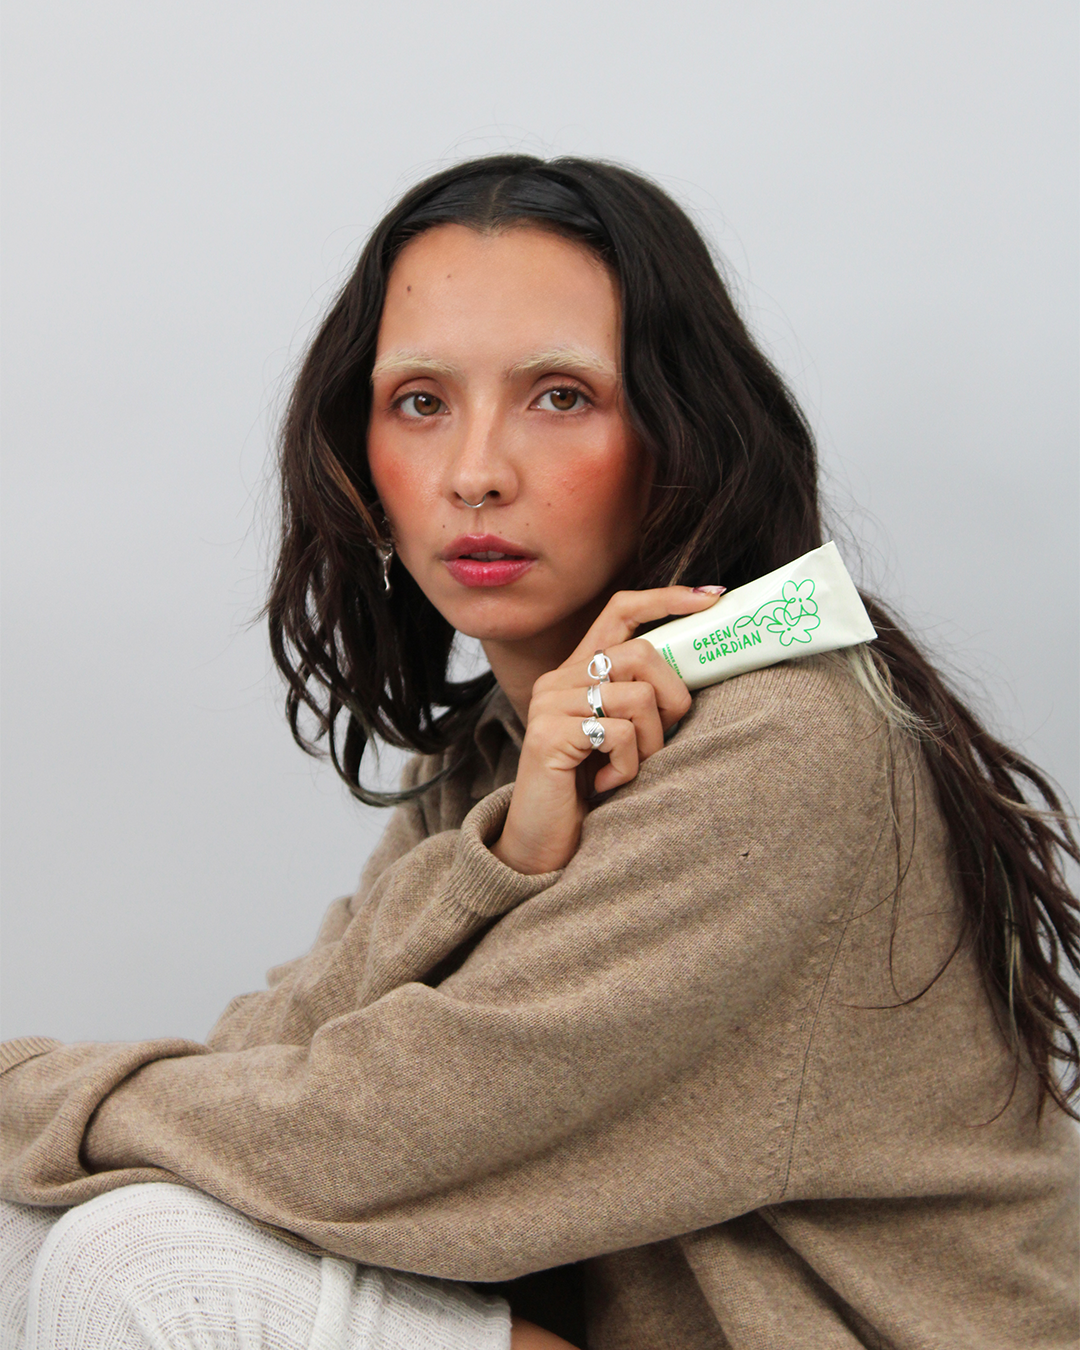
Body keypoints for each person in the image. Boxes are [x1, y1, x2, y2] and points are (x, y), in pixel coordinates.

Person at [1, 155, 1077, 1350]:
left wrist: (25, 1097)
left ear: (680, 431)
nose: (476, 473)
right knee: (18, 1231)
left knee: (139, 1265)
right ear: (359, 455)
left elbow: (379, 1139)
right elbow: (284, 1046)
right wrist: (500, 856)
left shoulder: (781, 740)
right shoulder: (503, 760)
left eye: (560, 395)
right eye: (420, 402)